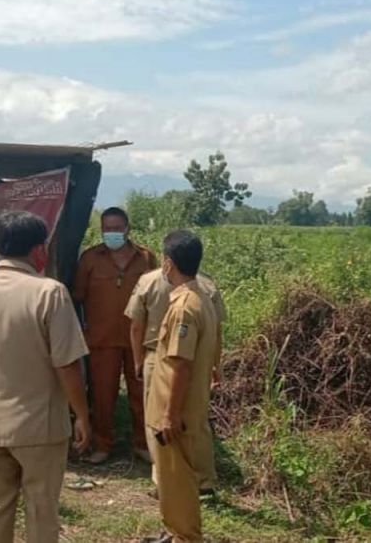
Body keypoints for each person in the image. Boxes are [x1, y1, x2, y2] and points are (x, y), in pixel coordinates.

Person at [0, 211, 91, 543]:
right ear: (39, 250)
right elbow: (67, 364)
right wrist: (82, 414)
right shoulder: (50, 293)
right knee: (41, 510)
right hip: (40, 426)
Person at [143, 230, 219, 543]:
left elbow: (181, 364)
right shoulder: (201, 297)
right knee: (175, 481)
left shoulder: (184, 306)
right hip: (183, 407)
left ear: (168, 263)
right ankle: (175, 532)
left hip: (176, 412)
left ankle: (185, 536)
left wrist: (170, 415)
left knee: (178, 481)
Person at [126, 269, 225, 495]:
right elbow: (217, 329)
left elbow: (136, 325)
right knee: (197, 419)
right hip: (200, 357)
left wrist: (138, 360)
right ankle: (203, 480)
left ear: (168, 261)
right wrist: (215, 364)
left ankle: (164, 481)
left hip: (158, 356)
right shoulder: (207, 285)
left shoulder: (148, 281)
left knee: (157, 421)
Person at [71, 207, 157, 464]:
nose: (112, 233)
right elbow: (78, 296)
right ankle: (102, 445)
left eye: (117, 228)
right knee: (102, 396)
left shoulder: (146, 258)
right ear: (101, 230)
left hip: (138, 340)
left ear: (127, 228)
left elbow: (156, 295)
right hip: (101, 339)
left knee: (141, 394)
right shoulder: (90, 259)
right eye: (107, 229)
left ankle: (143, 444)